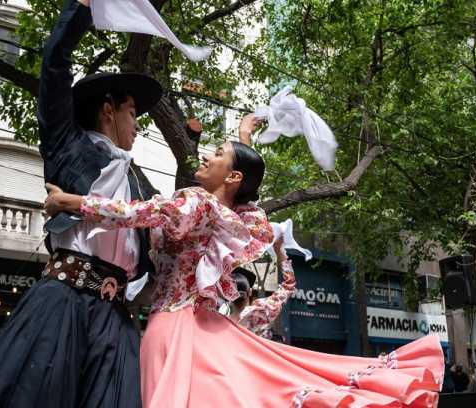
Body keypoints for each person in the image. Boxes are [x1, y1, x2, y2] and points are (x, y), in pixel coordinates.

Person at [45, 140, 444, 407]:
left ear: (233, 176)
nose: (205, 156)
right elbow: (245, 197)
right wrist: (242, 142)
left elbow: (140, 212)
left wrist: (71, 202)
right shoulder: (229, 214)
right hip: (202, 327)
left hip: (174, 328)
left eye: (217, 153)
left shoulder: (199, 203)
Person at [0, 0, 162, 408]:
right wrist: (90, 0)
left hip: (115, 318)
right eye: (133, 112)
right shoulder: (67, 145)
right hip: (62, 302)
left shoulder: (139, 182)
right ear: (108, 110)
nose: (138, 124)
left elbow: (169, 225)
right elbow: (54, 64)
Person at [229, 236, 295, 339]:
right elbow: (289, 285)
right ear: (250, 292)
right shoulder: (259, 312)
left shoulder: (216, 318)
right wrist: (278, 251)